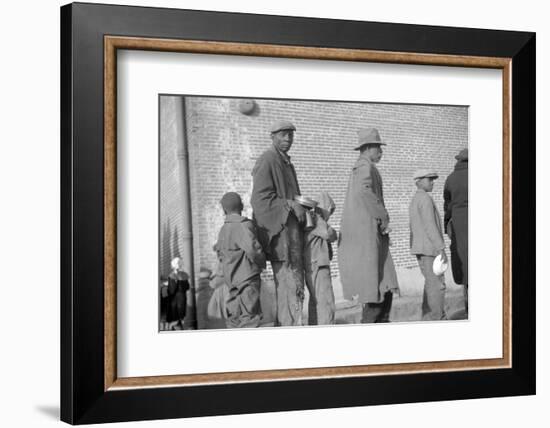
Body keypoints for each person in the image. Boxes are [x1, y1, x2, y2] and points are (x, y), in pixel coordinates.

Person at [339, 128, 399, 323]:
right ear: (367, 148)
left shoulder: (365, 166)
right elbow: (366, 192)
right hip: (369, 235)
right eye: (378, 148)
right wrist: (382, 218)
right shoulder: (364, 168)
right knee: (375, 290)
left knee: (383, 288)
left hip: (373, 234)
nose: (381, 152)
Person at [251, 120, 307, 326]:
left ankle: (294, 326)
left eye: (291, 135)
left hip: (293, 237)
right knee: (287, 286)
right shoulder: (267, 160)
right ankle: (288, 331)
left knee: (296, 287)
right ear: (272, 137)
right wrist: (290, 204)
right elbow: (260, 200)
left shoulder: (286, 162)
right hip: (281, 238)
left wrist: (304, 204)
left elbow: (293, 197)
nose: (288, 139)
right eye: (283, 135)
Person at [215, 191, 266, 328]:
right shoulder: (243, 226)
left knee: (234, 318)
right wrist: (261, 264)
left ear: (224, 210)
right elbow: (254, 250)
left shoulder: (223, 230)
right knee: (249, 318)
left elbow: (220, 255)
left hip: (231, 282)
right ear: (241, 206)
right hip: (247, 280)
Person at [409, 169, 448, 321]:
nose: (432, 182)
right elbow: (430, 225)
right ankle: (436, 319)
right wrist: (440, 248)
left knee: (430, 286)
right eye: (429, 179)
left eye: (433, 179)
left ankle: (428, 319)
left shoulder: (416, 199)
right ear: (418, 181)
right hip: (430, 250)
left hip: (421, 249)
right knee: (437, 287)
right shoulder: (425, 199)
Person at [303, 191, 338, 325]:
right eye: (330, 210)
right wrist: (335, 234)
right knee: (326, 302)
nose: (330, 214)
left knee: (316, 302)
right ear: (325, 208)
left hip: (313, 264)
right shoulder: (316, 218)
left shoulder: (311, 218)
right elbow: (329, 234)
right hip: (318, 265)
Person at [444, 148, 468, 315]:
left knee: (464, 263)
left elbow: (447, 204)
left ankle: (469, 308)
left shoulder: (451, 179)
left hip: (459, 224)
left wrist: (448, 223)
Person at [166, 257, 190, 330]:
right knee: (181, 317)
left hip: (175, 300)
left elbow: (171, 290)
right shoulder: (184, 275)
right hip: (183, 298)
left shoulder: (172, 276)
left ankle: (171, 328)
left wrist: (167, 288)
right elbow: (187, 287)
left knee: (175, 318)